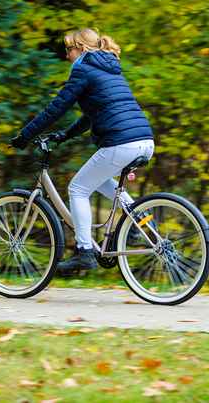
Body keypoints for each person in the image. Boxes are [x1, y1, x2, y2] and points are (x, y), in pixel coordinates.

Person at [10, 28, 155, 275]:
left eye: (68, 49)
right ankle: (140, 216)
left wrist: (25, 135)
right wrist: (64, 135)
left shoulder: (83, 68)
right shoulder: (108, 69)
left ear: (81, 48)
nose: (67, 56)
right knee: (97, 182)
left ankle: (84, 251)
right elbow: (90, 116)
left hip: (120, 142)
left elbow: (56, 107)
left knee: (77, 189)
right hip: (144, 140)